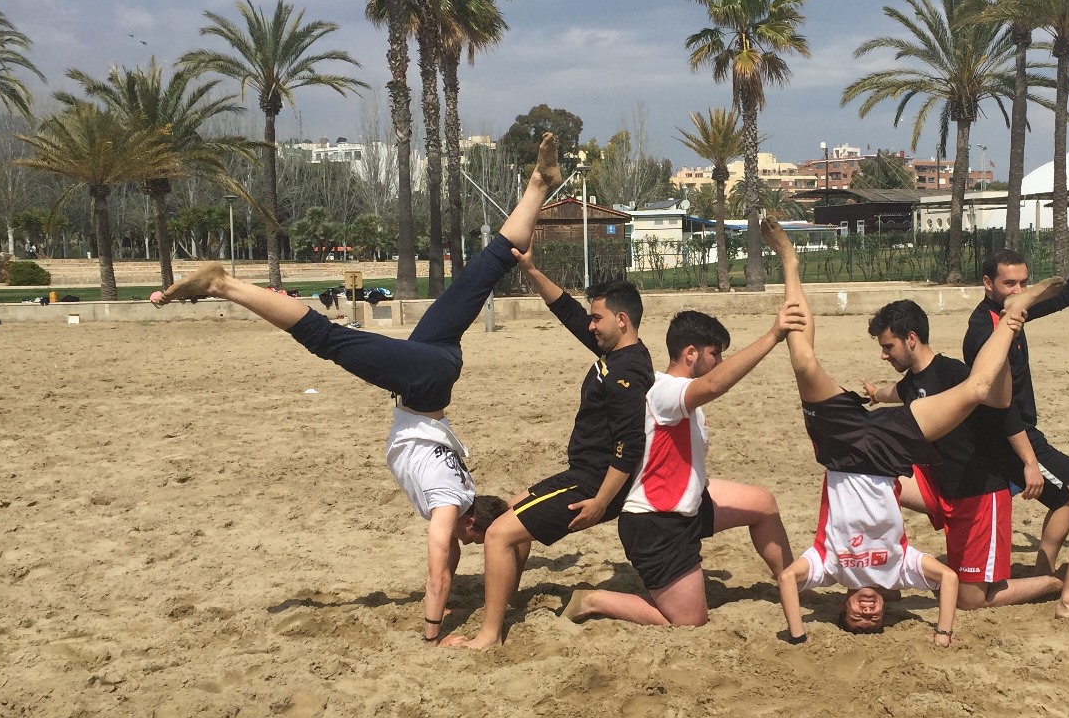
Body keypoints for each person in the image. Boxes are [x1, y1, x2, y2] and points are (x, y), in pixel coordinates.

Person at [150, 133, 566, 647]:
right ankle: (223, 285)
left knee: (487, 267)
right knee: (327, 338)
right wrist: (432, 634)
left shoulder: (460, 496)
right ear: (473, 526)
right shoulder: (446, 505)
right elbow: (439, 570)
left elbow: (451, 558)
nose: (469, 546)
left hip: (432, 370)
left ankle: (538, 186)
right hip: (423, 381)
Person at [762, 218, 1065, 644]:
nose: (866, 612)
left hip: (839, 445)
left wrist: (797, 635)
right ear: (886, 608)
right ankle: (1012, 316)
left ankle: (790, 264)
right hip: (891, 447)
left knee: (802, 360)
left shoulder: (828, 567)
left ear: (843, 606)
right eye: (873, 619)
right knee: (977, 388)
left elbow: (788, 580)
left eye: (856, 618)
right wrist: (942, 632)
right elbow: (946, 579)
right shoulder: (898, 569)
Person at [561, 304, 806, 628]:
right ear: (691, 353)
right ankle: (591, 600)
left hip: (688, 505)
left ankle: (792, 583)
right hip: (656, 522)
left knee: (763, 504)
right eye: (715, 354)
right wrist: (773, 336)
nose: (719, 362)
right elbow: (715, 385)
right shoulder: (664, 391)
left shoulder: (679, 394)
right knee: (690, 620)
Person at [472, 255, 655, 648]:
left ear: (621, 320)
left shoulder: (626, 372)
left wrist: (601, 503)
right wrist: (531, 270)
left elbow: (630, 447)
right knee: (509, 513)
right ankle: (505, 601)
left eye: (597, 319)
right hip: (582, 473)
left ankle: (489, 636)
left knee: (498, 535)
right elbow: (568, 312)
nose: (590, 325)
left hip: (594, 484)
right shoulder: (616, 352)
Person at [861, 299, 1063, 612]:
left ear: (911, 338)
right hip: (941, 488)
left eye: (889, 347)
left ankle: (1056, 582)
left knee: (970, 600)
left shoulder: (953, 373)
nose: (884, 355)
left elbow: (1005, 413)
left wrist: (1030, 463)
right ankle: (882, 578)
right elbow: (895, 392)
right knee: (870, 479)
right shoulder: (912, 382)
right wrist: (876, 394)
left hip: (979, 495)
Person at [964, 241, 1069, 621]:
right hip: (1011, 440)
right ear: (988, 283)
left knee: (1067, 498)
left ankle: (1042, 572)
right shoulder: (984, 331)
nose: (1019, 291)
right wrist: (1029, 462)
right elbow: (1001, 408)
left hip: (1021, 435)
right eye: (1010, 284)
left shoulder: (1012, 315)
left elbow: (1066, 294)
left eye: (1024, 283)